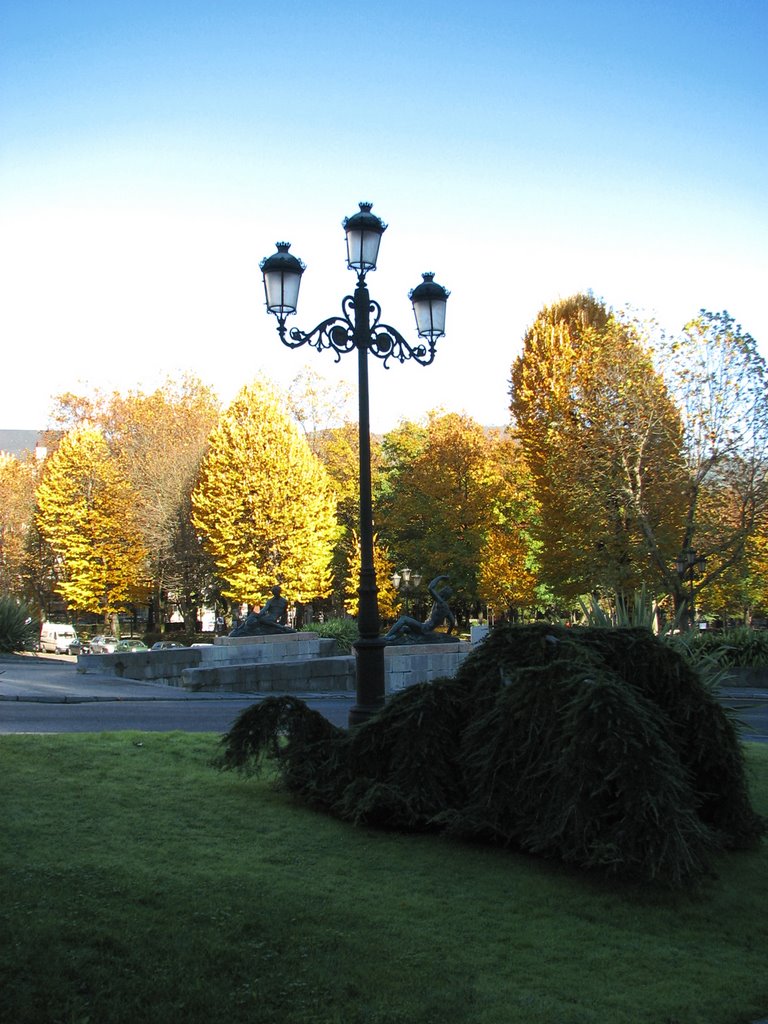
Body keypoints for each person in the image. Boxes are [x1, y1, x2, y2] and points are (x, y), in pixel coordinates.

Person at [384, 574, 456, 642]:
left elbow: (430, 587)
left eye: (442, 590)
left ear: (443, 593)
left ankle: (386, 637)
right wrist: (448, 635)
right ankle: (391, 638)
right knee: (404, 628)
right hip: (427, 629)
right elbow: (452, 622)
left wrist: (441, 577)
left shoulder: (441, 602)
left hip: (424, 628)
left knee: (404, 619)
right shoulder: (447, 610)